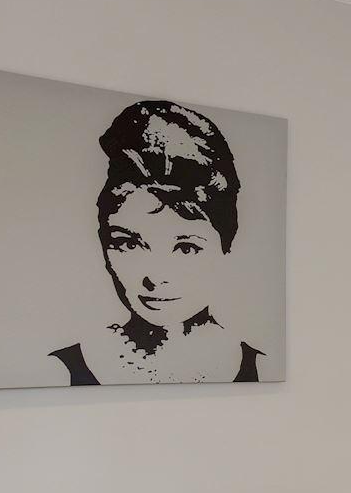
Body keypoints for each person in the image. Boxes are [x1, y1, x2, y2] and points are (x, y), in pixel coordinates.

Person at [49, 100, 263, 385]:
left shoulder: (262, 368)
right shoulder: (58, 371)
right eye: (128, 244)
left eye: (186, 248)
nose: (155, 277)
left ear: (226, 248)